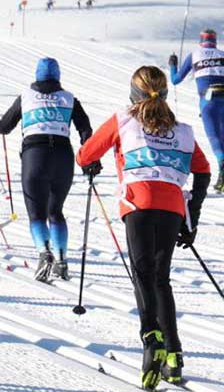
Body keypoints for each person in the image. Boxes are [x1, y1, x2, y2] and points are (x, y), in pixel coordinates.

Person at [75, 66, 209, 389]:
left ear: (133, 93)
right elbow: (203, 172)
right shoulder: (182, 130)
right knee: (161, 279)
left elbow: (85, 153)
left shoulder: (124, 119)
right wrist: (192, 215)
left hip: (137, 203)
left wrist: (90, 162)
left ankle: (152, 341)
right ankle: (174, 356)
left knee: (143, 275)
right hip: (172, 207)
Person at [0, 58, 93, 281]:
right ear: (58, 76)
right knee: (56, 210)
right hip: (62, 156)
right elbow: (85, 128)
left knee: (36, 213)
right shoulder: (70, 98)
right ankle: (61, 262)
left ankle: (44, 253)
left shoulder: (26, 96)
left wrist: (5, 126)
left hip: (34, 155)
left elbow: (4, 126)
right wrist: (87, 156)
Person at [169, 29, 224, 190]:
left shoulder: (195, 55)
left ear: (201, 41)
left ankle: (222, 169)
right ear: (215, 41)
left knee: (215, 139)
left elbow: (175, 80)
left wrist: (173, 63)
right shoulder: (222, 54)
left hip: (208, 101)